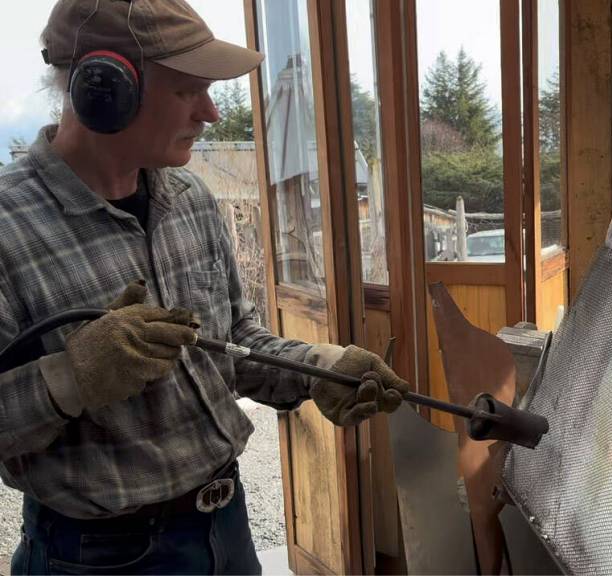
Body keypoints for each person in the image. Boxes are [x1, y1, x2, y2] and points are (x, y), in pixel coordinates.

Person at [0, 1, 409, 573]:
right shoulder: (8, 228)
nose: (212, 113)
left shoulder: (188, 199)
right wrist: (71, 377)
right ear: (106, 87)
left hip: (226, 527)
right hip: (101, 557)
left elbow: (232, 341)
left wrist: (321, 364)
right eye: (189, 90)